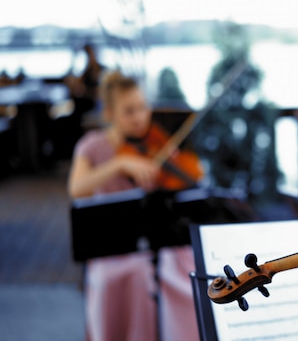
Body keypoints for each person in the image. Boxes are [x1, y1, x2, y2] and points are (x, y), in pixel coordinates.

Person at [68, 70, 200, 341]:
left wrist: (171, 167)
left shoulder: (154, 143)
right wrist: (118, 163)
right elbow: (77, 189)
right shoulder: (92, 146)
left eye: (143, 108)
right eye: (129, 111)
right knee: (132, 275)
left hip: (156, 238)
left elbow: (191, 181)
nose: (139, 117)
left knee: (189, 274)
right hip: (112, 245)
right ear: (110, 114)